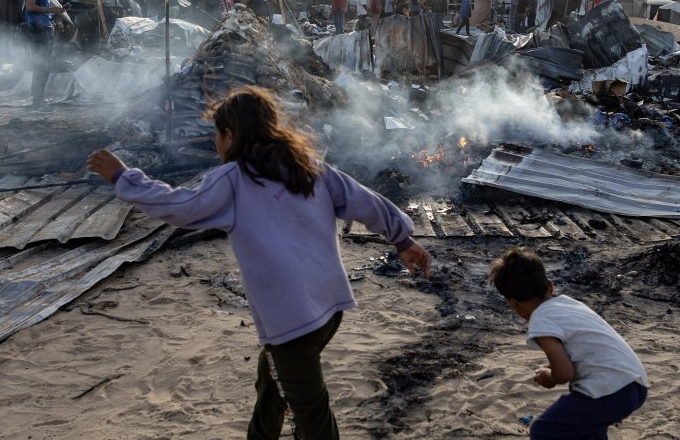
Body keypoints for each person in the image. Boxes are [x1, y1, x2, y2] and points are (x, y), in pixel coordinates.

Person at [86, 86, 432, 440]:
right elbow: (364, 200)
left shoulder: (233, 181)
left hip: (292, 318)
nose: (217, 144)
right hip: (329, 307)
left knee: (311, 413)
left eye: (217, 136)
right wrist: (402, 239)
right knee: (272, 380)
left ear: (230, 135)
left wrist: (122, 177)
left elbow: (179, 207)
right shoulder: (308, 166)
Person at [489, 248, 648, 440]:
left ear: (513, 303)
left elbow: (564, 374)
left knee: (543, 430)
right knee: (588, 431)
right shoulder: (570, 304)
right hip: (635, 384)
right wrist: (552, 367)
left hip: (608, 391)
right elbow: (581, 350)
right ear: (550, 286)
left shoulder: (541, 320)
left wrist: (549, 376)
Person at [23, 0, 67, 111]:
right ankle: (37, 101)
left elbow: (41, 2)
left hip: (45, 28)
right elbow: (30, 6)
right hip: (38, 29)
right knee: (41, 66)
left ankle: (40, 99)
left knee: (46, 66)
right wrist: (52, 11)